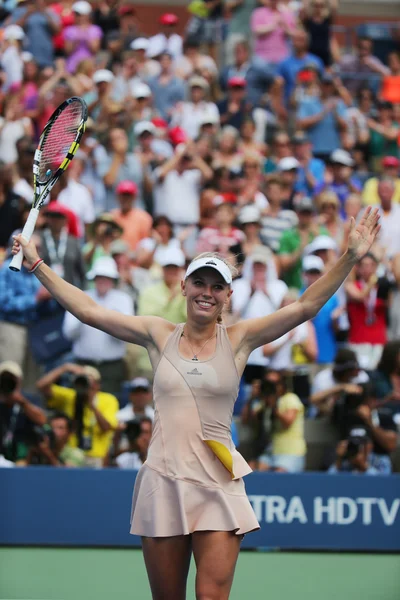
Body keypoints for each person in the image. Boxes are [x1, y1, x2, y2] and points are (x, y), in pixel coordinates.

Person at [12, 205, 380, 599]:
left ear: (228, 296)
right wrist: (38, 265)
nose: (207, 292)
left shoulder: (240, 338)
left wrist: (349, 258)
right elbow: (89, 310)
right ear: (184, 287)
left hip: (218, 482)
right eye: (199, 282)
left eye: (216, 286)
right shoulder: (157, 332)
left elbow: (305, 307)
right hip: (163, 479)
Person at [36, 362, 119, 467]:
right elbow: (41, 386)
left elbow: (107, 427)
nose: (87, 386)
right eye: (83, 381)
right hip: (71, 454)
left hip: (96, 457)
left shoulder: (108, 399)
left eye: (90, 382)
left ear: (98, 385)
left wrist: (91, 405)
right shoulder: (70, 396)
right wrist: (64, 368)